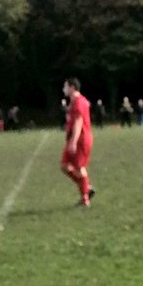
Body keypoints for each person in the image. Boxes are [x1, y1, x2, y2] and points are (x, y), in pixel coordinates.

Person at [61, 78, 95, 207]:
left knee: (80, 168)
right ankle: (86, 188)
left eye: (65, 86)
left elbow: (78, 122)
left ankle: (85, 198)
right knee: (64, 165)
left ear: (72, 87)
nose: (64, 89)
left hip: (81, 139)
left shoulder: (79, 102)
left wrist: (74, 141)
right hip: (73, 138)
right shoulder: (74, 102)